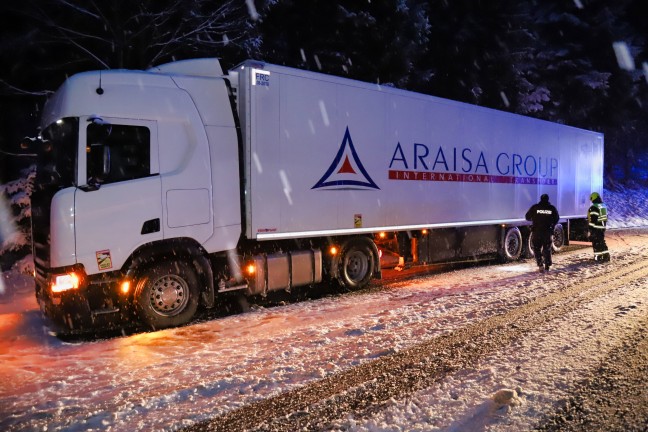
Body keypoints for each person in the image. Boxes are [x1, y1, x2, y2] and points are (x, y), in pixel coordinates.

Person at [525, 194, 560, 272]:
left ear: (540, 199)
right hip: (547, 232)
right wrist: (552, 224)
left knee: (537, 249)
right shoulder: (551, 208)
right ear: (548, 199)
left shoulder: (535, 207)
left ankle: (540, 265)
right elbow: (557, 218)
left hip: (537, 232)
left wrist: (535, 219)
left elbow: (527, 217)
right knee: (547, 248)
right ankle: (547, 265)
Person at [588, 192, 610, 262]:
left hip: (596, 228)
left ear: (593, 198)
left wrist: (590, 229)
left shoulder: (594, 207)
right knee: (601, 242)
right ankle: (606, 256)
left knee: (596, 243)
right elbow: (606, 217)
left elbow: (593, 220)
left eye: (591, 199)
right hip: (602, 227)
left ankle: (598, 257)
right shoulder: (603, 206)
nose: (591, 201)